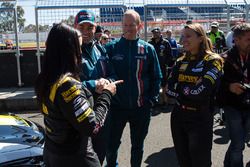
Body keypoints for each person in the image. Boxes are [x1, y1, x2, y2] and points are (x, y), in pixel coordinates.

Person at [34, 23, 122, 167]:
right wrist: (107, 94)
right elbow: (92, 126)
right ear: (68, 51)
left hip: (53, 152)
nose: (80, 54)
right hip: (76, 157)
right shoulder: (67, 85)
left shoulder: (43, 78)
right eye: (77, 48)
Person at [105, 10, 162, 167]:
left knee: (137, 146)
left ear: (140, 26)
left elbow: (157, 76)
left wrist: (151, 100)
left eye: (132, 25)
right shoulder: (111, 48)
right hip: (116, 108)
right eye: (125, 25)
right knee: (111, 145)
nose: (128, 28)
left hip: (141, 108)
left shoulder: (148, 49)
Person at [166, 23, 223, 167]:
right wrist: (189, 89)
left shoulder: (213, 60)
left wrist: (181, 89)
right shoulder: (180, 61)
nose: (184, 39)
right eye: (183, 36)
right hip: (178, 115)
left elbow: (202, 92)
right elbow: (168, 89)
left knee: (200, 162)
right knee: (183, 161)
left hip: (200, 117)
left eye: (188, 36)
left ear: (200, 38)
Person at [74, 9, 116, 165]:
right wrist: (93, 84)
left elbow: (113, 74)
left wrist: (107, 82)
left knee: (100, 152)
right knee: (84, 157)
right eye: (81, 27)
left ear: (95, 28)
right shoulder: (70, 52)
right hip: (81, 112)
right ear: (75, 27)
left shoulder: (100, 49)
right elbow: (64, 85)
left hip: (103, 108)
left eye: (89, 27)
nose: (86, 31)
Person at [219, 23, 250, 167]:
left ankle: (227, 163)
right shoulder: (224, 59)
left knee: (240, 140)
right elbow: (215, 86)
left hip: (248, 104)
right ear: (236, 40)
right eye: (248, 39)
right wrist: (229, 87)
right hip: (232, 106)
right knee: (238, 144)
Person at [148, 27, 172, 107]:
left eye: (156, 32)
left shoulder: (165, 42)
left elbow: (170, 55)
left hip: (162, 67)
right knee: (153, 84)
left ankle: (165, 102)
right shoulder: (150, 43)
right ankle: (154, 101)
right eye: (154, 32)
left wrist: (166, 63)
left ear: (160, 33)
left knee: (164, 85)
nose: (155, 34)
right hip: (152, 67)